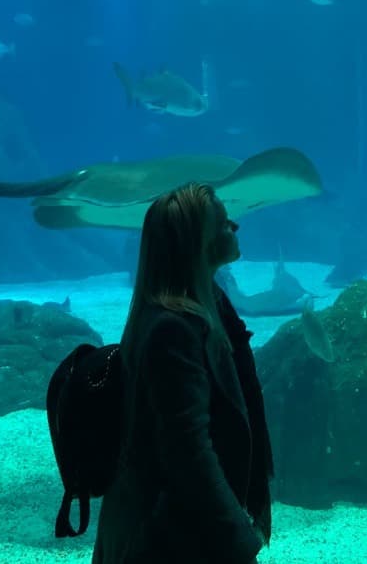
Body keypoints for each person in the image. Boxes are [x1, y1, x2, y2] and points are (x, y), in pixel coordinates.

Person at [93, 183, 274, 564]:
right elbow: (187, 449)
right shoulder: (171, 328)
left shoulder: (212, 304)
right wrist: (238, 538)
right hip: (164, 539)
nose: (235, 228)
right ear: (199, 240)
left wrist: (256, 492)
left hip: (189, 527)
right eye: (224, 224)